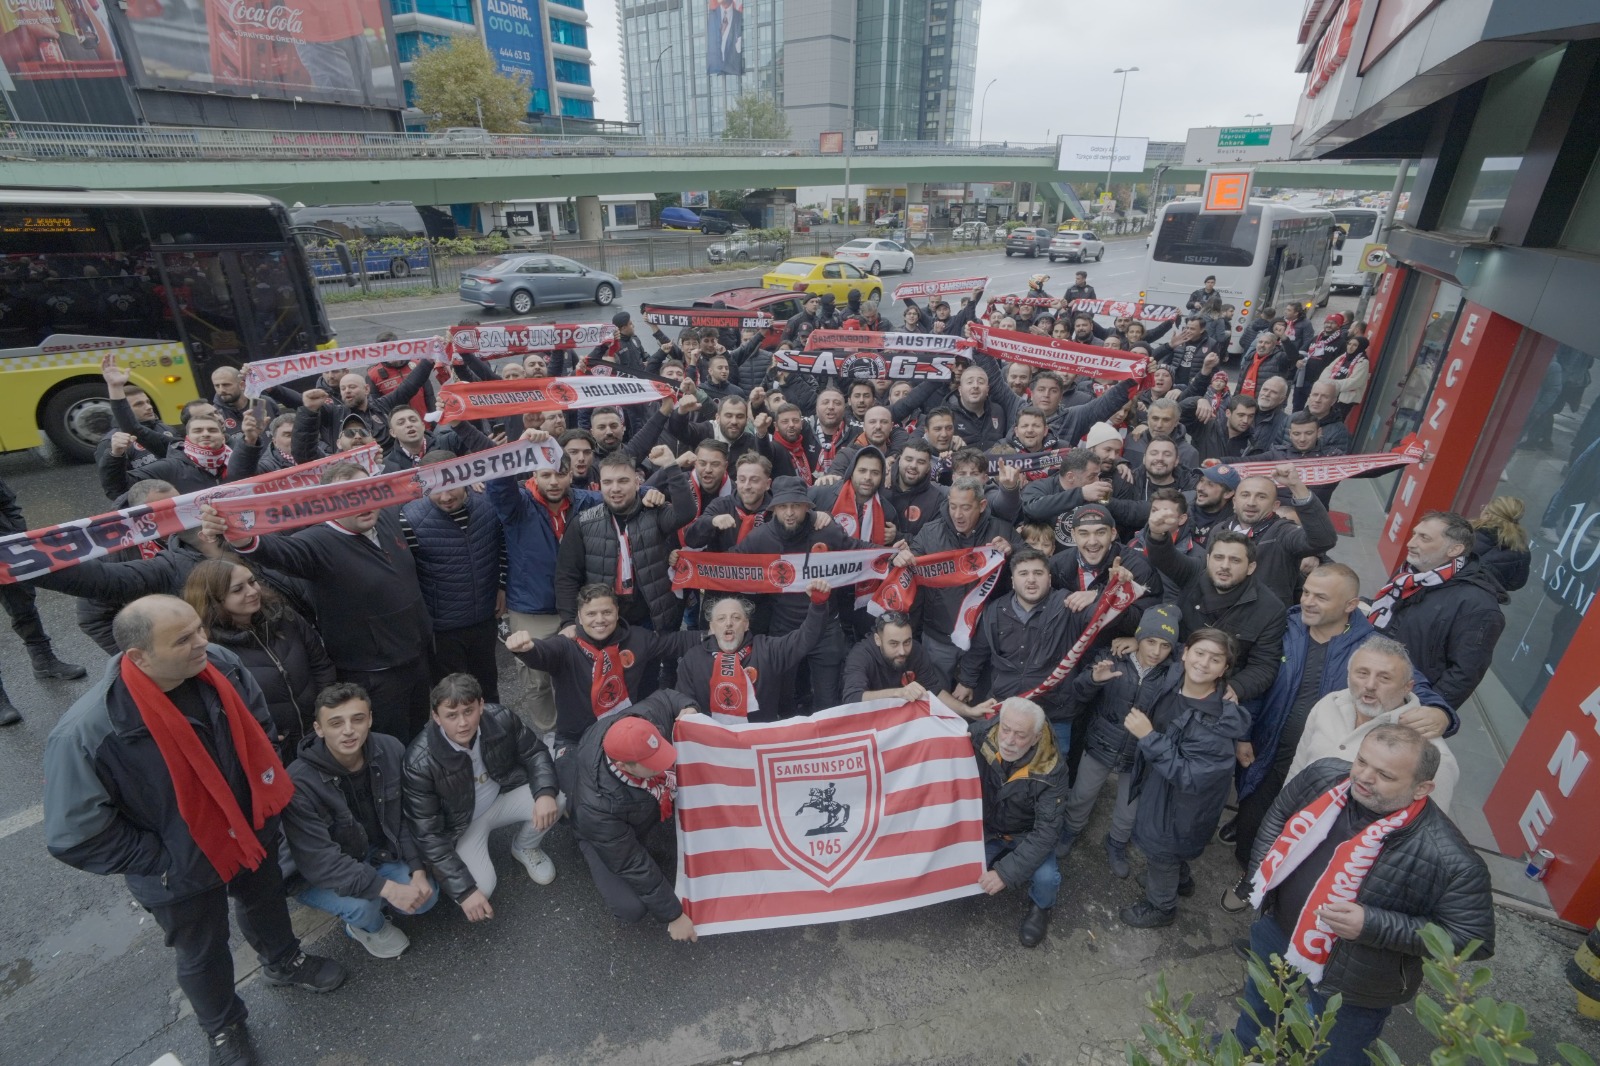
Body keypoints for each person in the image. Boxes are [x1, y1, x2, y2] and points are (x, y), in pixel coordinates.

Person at [43, 596, 345, 1066]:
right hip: (179, 867)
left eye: (198, 629)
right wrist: (163, 859)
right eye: (183, 639)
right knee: (201, 951)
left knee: (265, 901)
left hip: (250, 829)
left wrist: (258, 794)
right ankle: (224, 1027)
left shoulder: (219, 664)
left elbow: (258, 723)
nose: (203, 641)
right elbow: (76, 835)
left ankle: (284, 961)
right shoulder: (86, 731)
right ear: (139, 658)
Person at [1233, 726, 1494, 1064]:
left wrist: (1372, 924)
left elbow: (1474, 939)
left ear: (1423, 788)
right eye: (1361, 761)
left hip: (1356, 978)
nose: (1363, 777)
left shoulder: (1452, 859)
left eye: (1385, 775)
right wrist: (1261, 881)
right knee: (1260, 1009)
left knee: (1336, 1051)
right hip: (1278, 931)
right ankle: (1244, 1055)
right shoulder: (1324, 776)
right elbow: (1279, 818)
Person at [1225, 564, 1455, 878]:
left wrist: (1441, 712)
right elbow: (1256, 677)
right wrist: (1243, 733)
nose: (1307, 601)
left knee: (1304, 830)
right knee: (1254, 819)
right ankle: (1249, 869)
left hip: (1323, 762)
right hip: (1267, 750)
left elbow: (1410, 684)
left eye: (1321, 597)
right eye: (1306, 592)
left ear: (1350, 605)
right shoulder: (1283, 626)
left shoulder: (1369, 646)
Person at [203, 464, 434, 741]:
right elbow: (277, 552)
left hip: (416, 658)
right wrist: (244, 539)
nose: (363, 503)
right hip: (375, 675)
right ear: (327, 503)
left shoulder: (385, 519)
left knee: (422, 731)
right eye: (348, 496)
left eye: (367, 492)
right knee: (391, 744)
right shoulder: (315, 544)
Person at [283, 683, 437, 960]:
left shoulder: (390, 748)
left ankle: (375, 892)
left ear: (370, 719)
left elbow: (404, 815)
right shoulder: (297, 783)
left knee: (426, 899)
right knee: (366, 907)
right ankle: (365, 927)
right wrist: (387, 889)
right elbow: (320, 861)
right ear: (319, 729)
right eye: (335, 722)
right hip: (315, 872)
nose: (348, 730)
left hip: (375, 849)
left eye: (357, 719)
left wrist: (418, 869)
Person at [402, 673, 561, 924]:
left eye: (469, 711)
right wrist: (465, 891)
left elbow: (535, 753)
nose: (463, 723)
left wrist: (544, 794)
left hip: (500, 799)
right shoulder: (419, 762)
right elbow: (427, 834)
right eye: (451, 716)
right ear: (436, 717)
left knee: (556, 797)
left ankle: (525, 846)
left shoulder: (501, 718)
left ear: (481, 705)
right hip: (463, 826)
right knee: (481, 889)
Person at [1120, 628, 1251, 927]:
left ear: (1225, 669)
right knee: (1169, 850)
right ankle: (1181, 879)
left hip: (1182, 804)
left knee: (1162, 850)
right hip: (1162, 788)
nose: (1204, 663)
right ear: (1185, 654)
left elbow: (1191, 776)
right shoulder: (1176, 679)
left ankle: (1162, 906)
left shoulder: (1216, 723)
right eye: (1199, 653)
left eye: (1215, 659)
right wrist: (1131, 639)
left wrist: (1149, 738)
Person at [731, 476, 887, 710]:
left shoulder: (826, 529)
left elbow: (856, 549)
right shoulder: (760, 537)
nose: (790, 512)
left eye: (796, 506)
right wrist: (688, 562)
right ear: (774, 509)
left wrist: (891, 553)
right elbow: (728, 564)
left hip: (826, 628)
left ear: (807, 506)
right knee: (783, 701)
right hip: (784, 630)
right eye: (783, 507)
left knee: (827, 702)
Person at [486, 433, 602, 735]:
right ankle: (550, 735)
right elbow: (498, 483)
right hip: (531, 609)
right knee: (536, 680)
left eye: (560, 474)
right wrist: (519, 447)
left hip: (576, 608)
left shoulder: (587, 501)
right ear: (532, 475)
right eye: (545, 474)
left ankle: (584, 732)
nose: (553, 482)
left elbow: (624, 493)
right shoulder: (518, 505)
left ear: (571, 474)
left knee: (581, 673)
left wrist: (654, 491)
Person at [1059, 604, 1180, 874]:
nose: (1156, 652)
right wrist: (1093, 678)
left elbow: (1195, 654)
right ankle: (1070, 829)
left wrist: (1165, 643)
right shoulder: (1111, 658)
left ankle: (1116, 842)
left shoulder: (1173, 674)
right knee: (1082, 794)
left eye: (1165, 645)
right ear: (1138, 637)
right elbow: (1078, 691)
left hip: (1139, 754)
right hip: (1100, 744)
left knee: (1129, 807)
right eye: (1150, 641)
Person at [573, 689, 700, 938]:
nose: (665, 764)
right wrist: (673, 915)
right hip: (602, 835)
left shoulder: (643, 721)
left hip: (636, 804)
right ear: (622, 766)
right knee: (631, 908)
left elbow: (666, 697)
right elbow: (633, 862)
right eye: (653, 763)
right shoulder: (597, 809)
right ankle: (584, 846)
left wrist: (689, 706)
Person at [182, 559, 336, 760]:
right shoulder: (210, 651)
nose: (253, 591)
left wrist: (325, 711)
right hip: (275, 749)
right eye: (238, 589)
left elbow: (321, 664)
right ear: (214, 600)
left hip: (320, 733)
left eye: (252, 581)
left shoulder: (285, 618)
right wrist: (262, 733)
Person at [1285, 636, 1460, 811]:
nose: (1369, 685)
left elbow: (1428, 829)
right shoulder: (1328, 704)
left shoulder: (1433, 754)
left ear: (1408, 687)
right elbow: (1298, 768)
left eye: (1384, 678)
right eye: (1362, 673)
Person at [1367, 512, 1508, 709]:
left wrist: (1425, 711)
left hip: (1401, 703)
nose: (1411, 543)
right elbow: (1393, 618)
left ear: (1454, 549)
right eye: (1415, 534)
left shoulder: (1479, 606)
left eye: (1424, 538)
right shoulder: (1412, 572)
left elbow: (1465, 673)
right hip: (1368, 678)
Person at [399, 451, 506, 702]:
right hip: (442, 631)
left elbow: (502, 548)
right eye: (435, 489)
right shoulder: (409, 519)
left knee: (488, 690)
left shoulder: (489, 506)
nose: (445, 497)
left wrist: (502, 585)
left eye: (451, 487)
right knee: (452, 698)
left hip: (484, 621)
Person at [554, 452, 697, 639]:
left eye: (623, 481)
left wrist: (671, 466)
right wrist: (569, 621)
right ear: (600, 485)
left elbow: (686, 512)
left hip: (650, 616)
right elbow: (567, 576)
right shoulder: (582, 523)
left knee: (649, 668)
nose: (615, 489)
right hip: (603, 620)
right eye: (607, 482)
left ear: (637, 483)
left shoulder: (655, 512)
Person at [970, 697, 1067, 948]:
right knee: (958, 864)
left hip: (1027, 833)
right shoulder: (982, 734)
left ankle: (1041, 908)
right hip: (988, 827)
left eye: (1020, 735)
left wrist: (1005, 873)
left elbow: (1047, 832)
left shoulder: (1052, 768)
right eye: (1006, 729)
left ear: (1036, 737)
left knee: (1047, 878)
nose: (1009, 740)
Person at [0, 476, 87, 725]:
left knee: (23, 605)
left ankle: (44, 660)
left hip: (5, 551)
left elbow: (8, 504)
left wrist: (15, 537)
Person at [674, 583, 830, 721]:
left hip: (760, 745)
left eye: (736, 618)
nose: (729, 623)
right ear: (712, 628)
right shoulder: (693, 659)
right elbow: (683, 699)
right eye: (721, 619)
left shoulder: (767, 650)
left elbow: (805, 639)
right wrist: (688, 708)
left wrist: (818, 605)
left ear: (746, 624)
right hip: (713, 747)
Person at [1223, 469, 1338, 605]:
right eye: (1245, 495)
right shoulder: (1220, 530)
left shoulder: (1283, 533)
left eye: (1261, 497)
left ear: (1275, 505)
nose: (1251, 502)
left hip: (1263, 620)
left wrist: (1296, 486)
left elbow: (1324, 540)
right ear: (1234, 501)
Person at [841, 611, 955, 704]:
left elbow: (934, 691)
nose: (902, 651)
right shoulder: (861, 655)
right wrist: (899, 693)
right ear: (877, 640)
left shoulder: (916, 650)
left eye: (907, 642)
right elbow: (852, 697)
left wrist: (968, 711)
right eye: (894, 644)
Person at [1470, 496, 1531, 593]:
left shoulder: (1465, 532)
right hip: (1480, 599)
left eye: (1484, 508)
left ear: (1487, 515)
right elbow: (1517, 583)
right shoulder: (1522, 550)